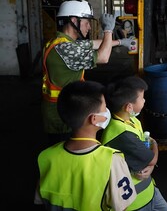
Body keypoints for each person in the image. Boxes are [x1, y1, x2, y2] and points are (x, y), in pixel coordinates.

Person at [42, 0, 134, 145]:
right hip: (63, 115)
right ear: (74, 20)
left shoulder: (62, 42)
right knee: (68, 154)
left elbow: (93, 44)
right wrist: (108, 30)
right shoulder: (65, 49)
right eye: (87, 22)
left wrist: (121, 42)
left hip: (67, 107)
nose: (89, 27)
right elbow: (103, 57)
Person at [36, 80, 137, 210]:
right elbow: (122, 207)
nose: (107, 111)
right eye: (104, 108)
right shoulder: (112, 160)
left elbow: (42, 200)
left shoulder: (46, 157)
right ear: (93, 119)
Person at [101, 76, 167, 211]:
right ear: (129, 107)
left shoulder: (131, 120)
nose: (144, 100)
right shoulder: (122, 134)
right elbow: (152, 158)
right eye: (142, 98)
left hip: (148, 188)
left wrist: (150, 165)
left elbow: (147, 152)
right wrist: (155, 144)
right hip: (134, 201)